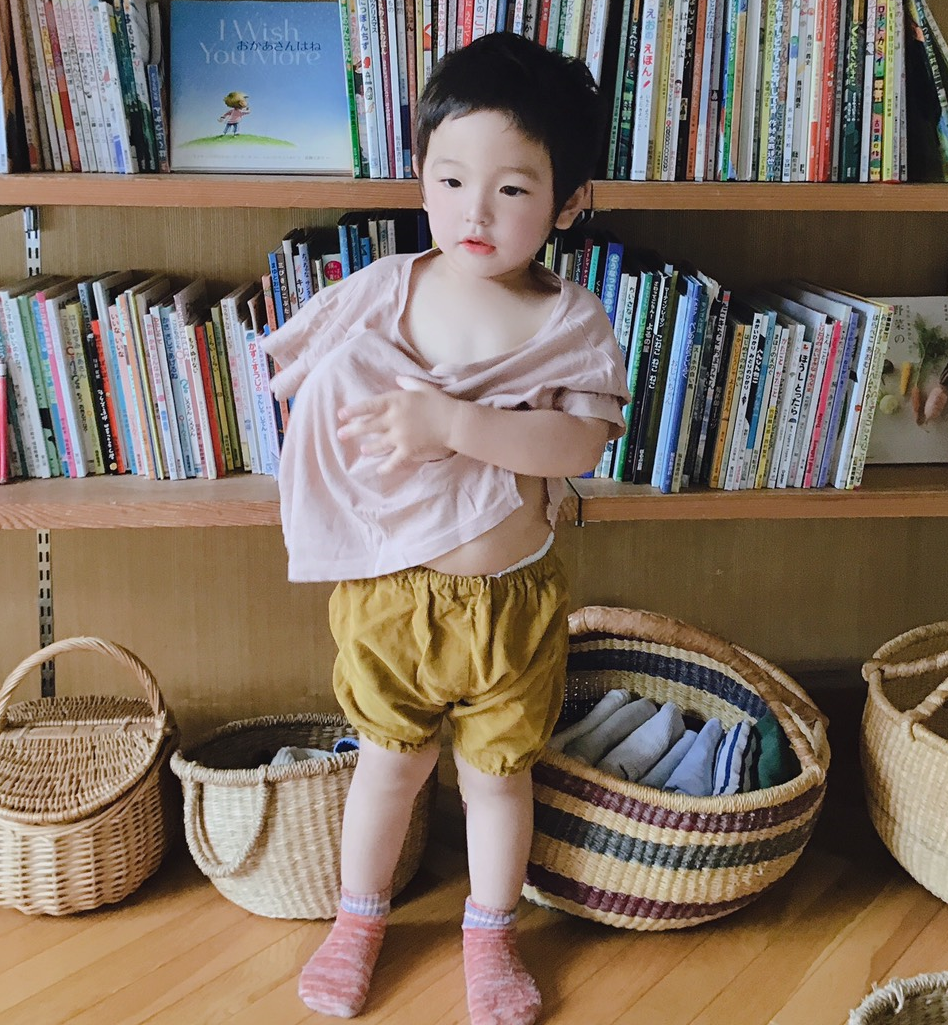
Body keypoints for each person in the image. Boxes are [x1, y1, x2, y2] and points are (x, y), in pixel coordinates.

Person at [262, 31, 630, 1025]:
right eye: (452, 179)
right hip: (393, 593)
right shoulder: (389, 292)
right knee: (388, 763)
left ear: (567, 202)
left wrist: (457, 424)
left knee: (498, 777)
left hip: (512, 602)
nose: (476, 211)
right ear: (420, 172)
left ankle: (489, 931)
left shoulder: (569, 321)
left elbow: (578, 443)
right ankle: (359, 917)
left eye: (512, 189)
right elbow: (313, 385)